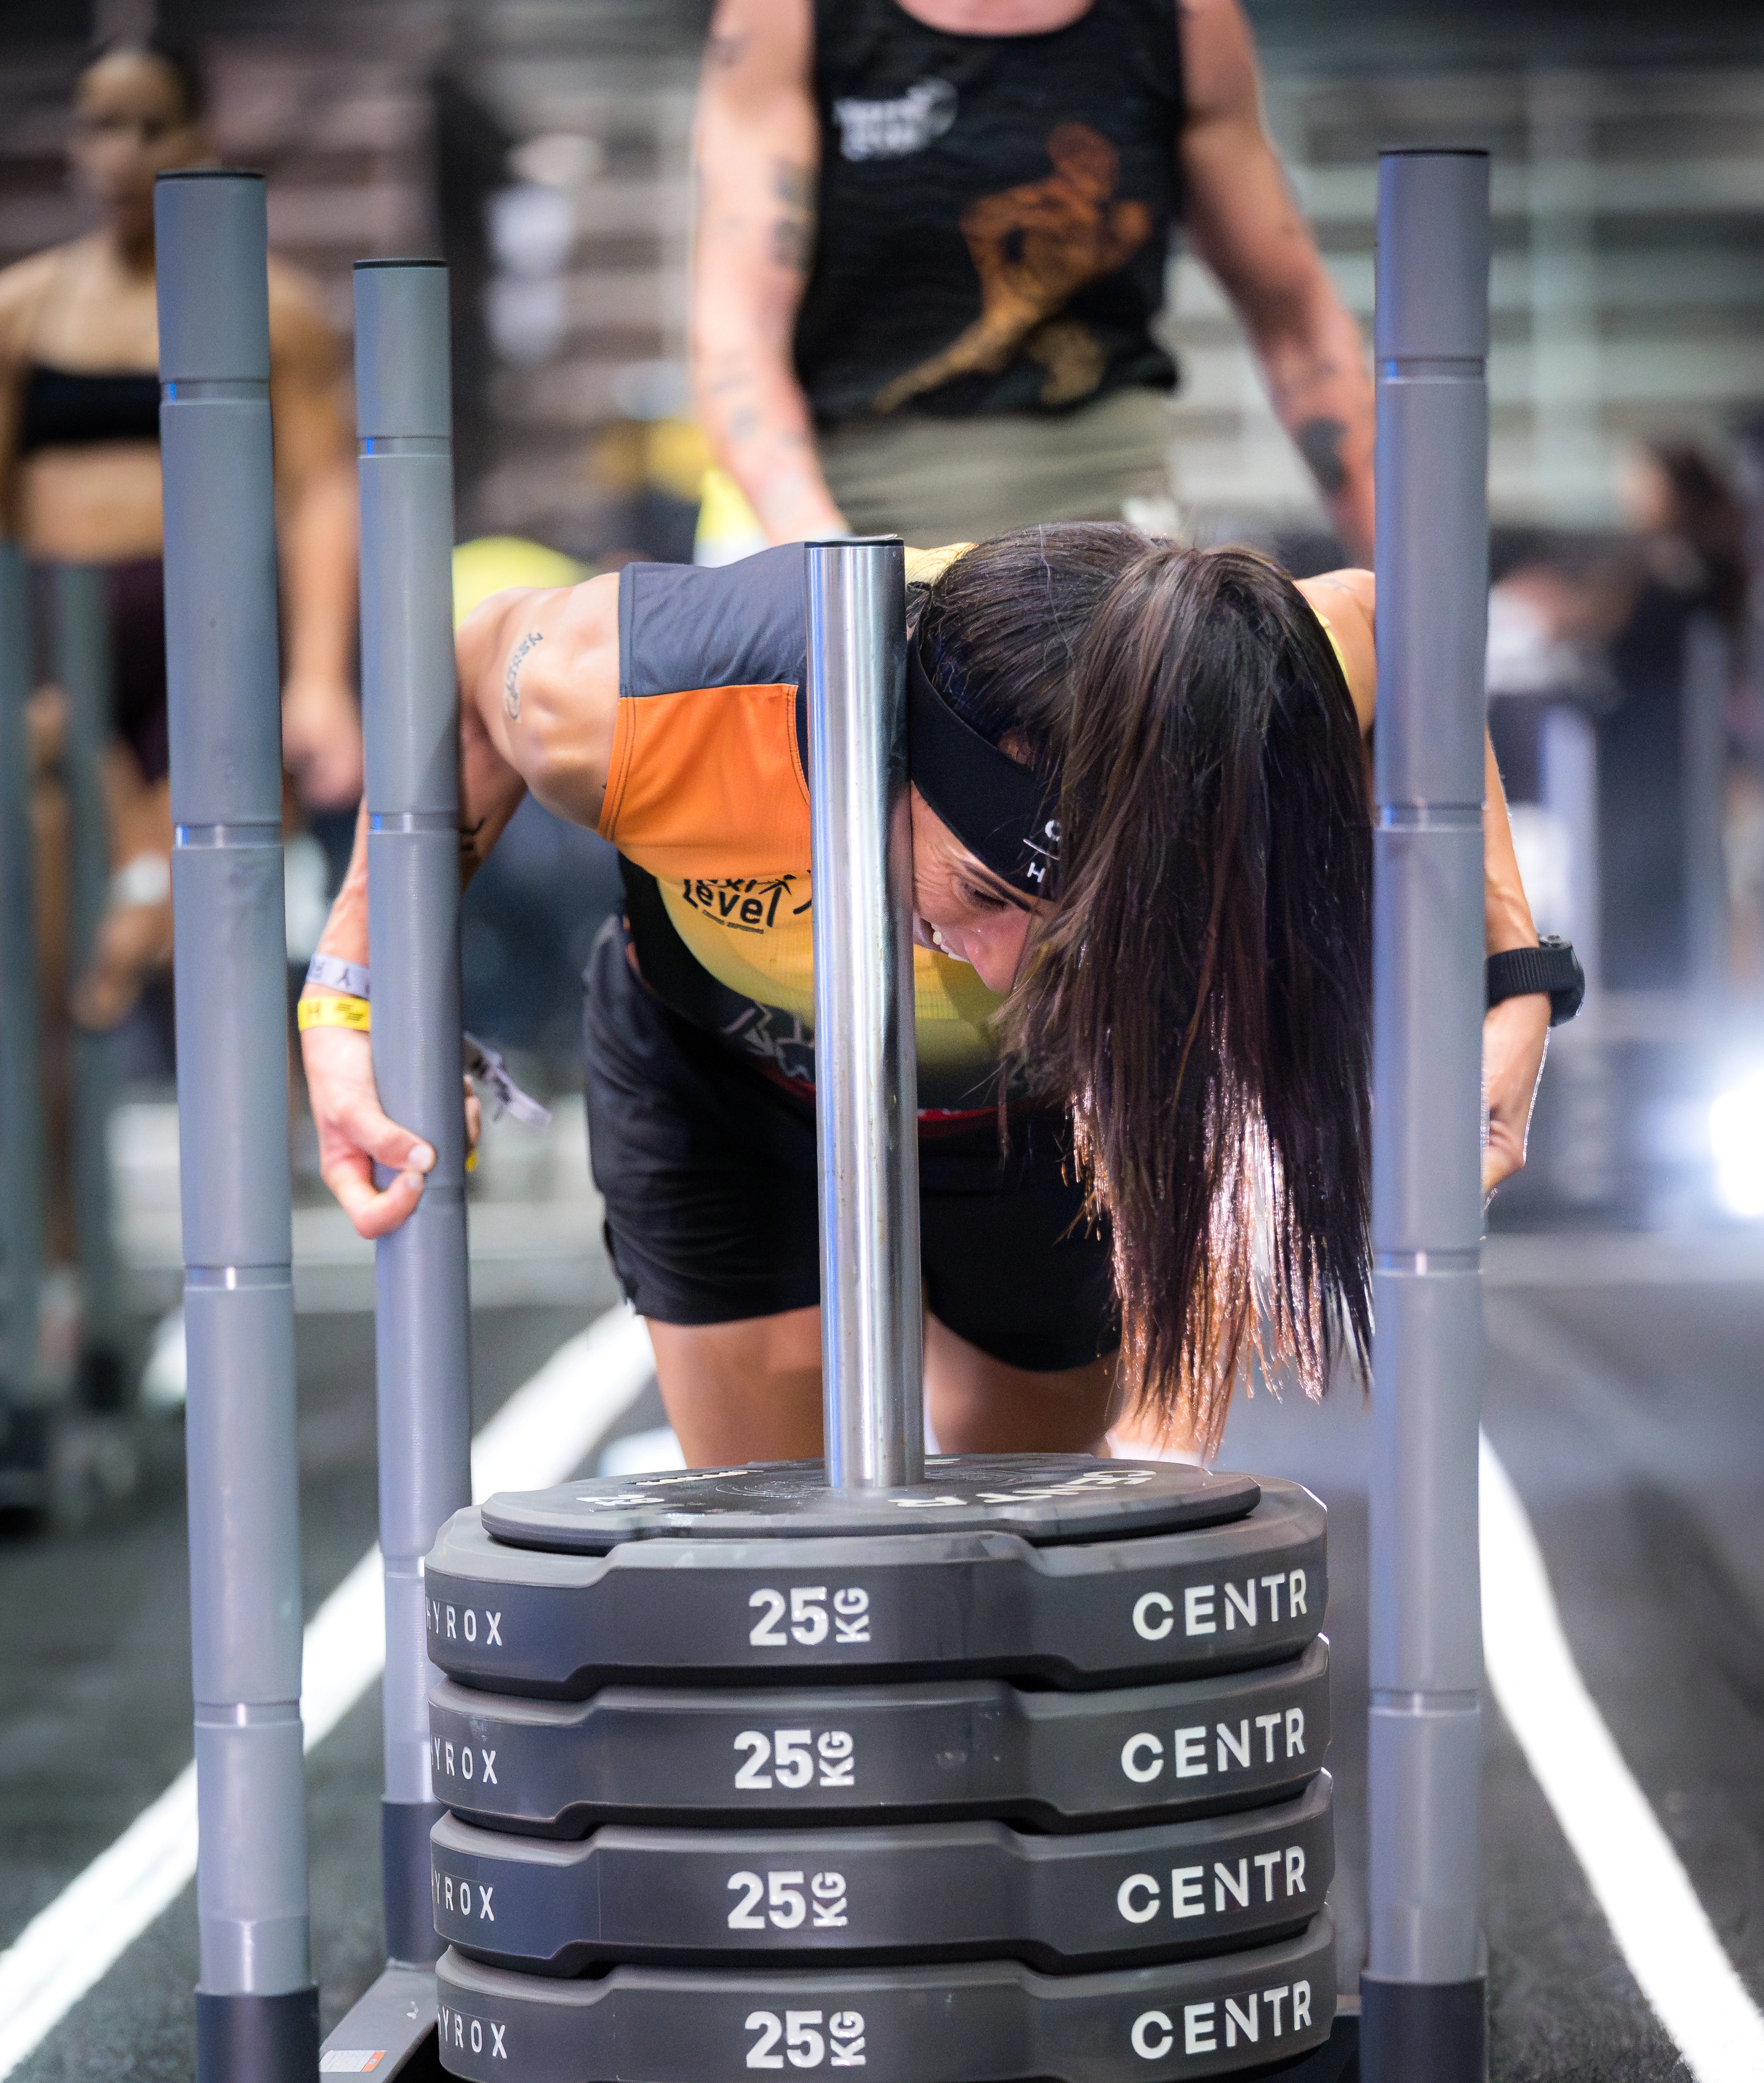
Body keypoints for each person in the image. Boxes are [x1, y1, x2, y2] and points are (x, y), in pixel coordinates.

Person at [299, 529, 1548, 1463]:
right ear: (894, 768)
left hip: (1036, 1107)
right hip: (724, 1076)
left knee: (1031, 1507)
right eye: (983, 894)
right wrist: (351, 998)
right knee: (776, 1553)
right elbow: (471, 680)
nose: (1002, 963)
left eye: (1067, 932)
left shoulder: (1228, 690)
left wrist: (1511, 986)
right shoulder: (643, 701)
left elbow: (1392, 633)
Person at [689, 0, 1376, 557]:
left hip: (1104, 514)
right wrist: (837, 568)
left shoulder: (1182, 21)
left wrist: (1425, 611)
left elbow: (1298, 325)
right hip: (846, 504)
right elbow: (736, 338)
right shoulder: (789, 16)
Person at [0, 33, 362, 1036]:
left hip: (202, 641)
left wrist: (321, 680)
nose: (119, 153)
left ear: (196, 136)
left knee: (184, 923)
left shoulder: (272, 309)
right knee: (53, 965)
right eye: (99, 126)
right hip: (60, 643)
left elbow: (319, 492)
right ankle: (52, 1182)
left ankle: (259, 1134)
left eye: (147, 126)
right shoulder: (21, 314)